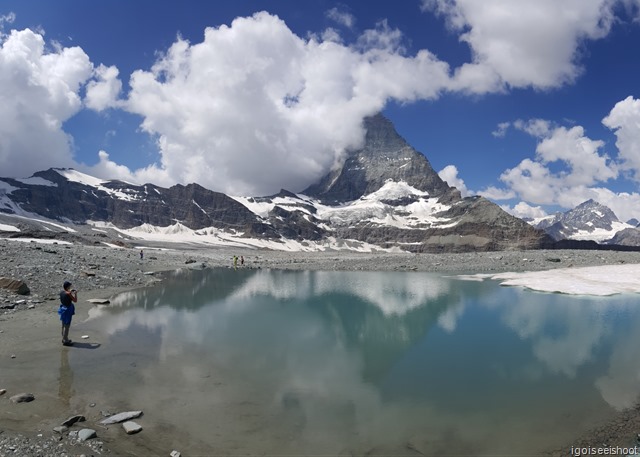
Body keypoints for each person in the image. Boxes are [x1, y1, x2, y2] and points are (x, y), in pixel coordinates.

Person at [58, 281, 78, 346]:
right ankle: (65, 340)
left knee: (63, 325)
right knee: (67, 326)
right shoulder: (69, 294)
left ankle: (64, 338)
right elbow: (75, 300)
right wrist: (75, 294)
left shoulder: (61, 292)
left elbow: (66, 294)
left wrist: (70, 291)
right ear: (67, 287)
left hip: (62, 309)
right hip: (68, 310)